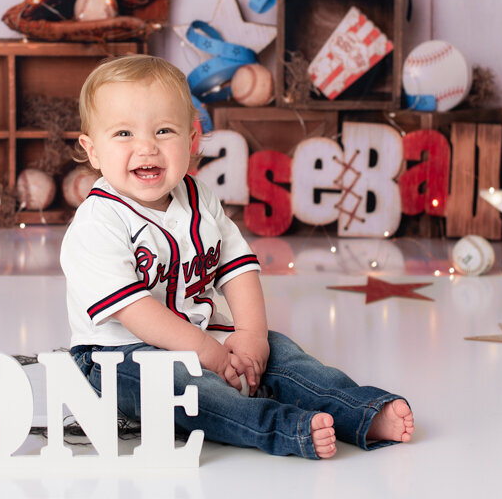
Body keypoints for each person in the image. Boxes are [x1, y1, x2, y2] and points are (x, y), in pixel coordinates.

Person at [60, 55, 414, 459]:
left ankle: (358, 409)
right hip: (119, 357)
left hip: (207, 333)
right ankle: (279, 428)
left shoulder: (199, 197)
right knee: (190, 388)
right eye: (123, 133)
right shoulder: (97, 221)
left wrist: (250, 335)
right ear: (93, 151)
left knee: (283, 354)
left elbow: (238, 269)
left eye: (164, 130)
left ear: (192, 140)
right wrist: (206, 352)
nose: (147, 147)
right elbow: (136, 311)